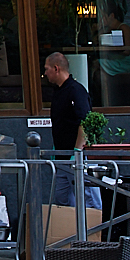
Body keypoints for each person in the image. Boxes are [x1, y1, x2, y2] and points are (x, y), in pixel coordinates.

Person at [44, 51, 100, 212]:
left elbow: (85, 122)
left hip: (77, 155)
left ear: (56, 68)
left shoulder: (76, 90)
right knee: (62, 199)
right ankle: (70, 226)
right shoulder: (58, 92)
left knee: (88, 198)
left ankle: (94, 226)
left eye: (47, 69)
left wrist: (78, 150)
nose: (45, 73)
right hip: (62, 155)